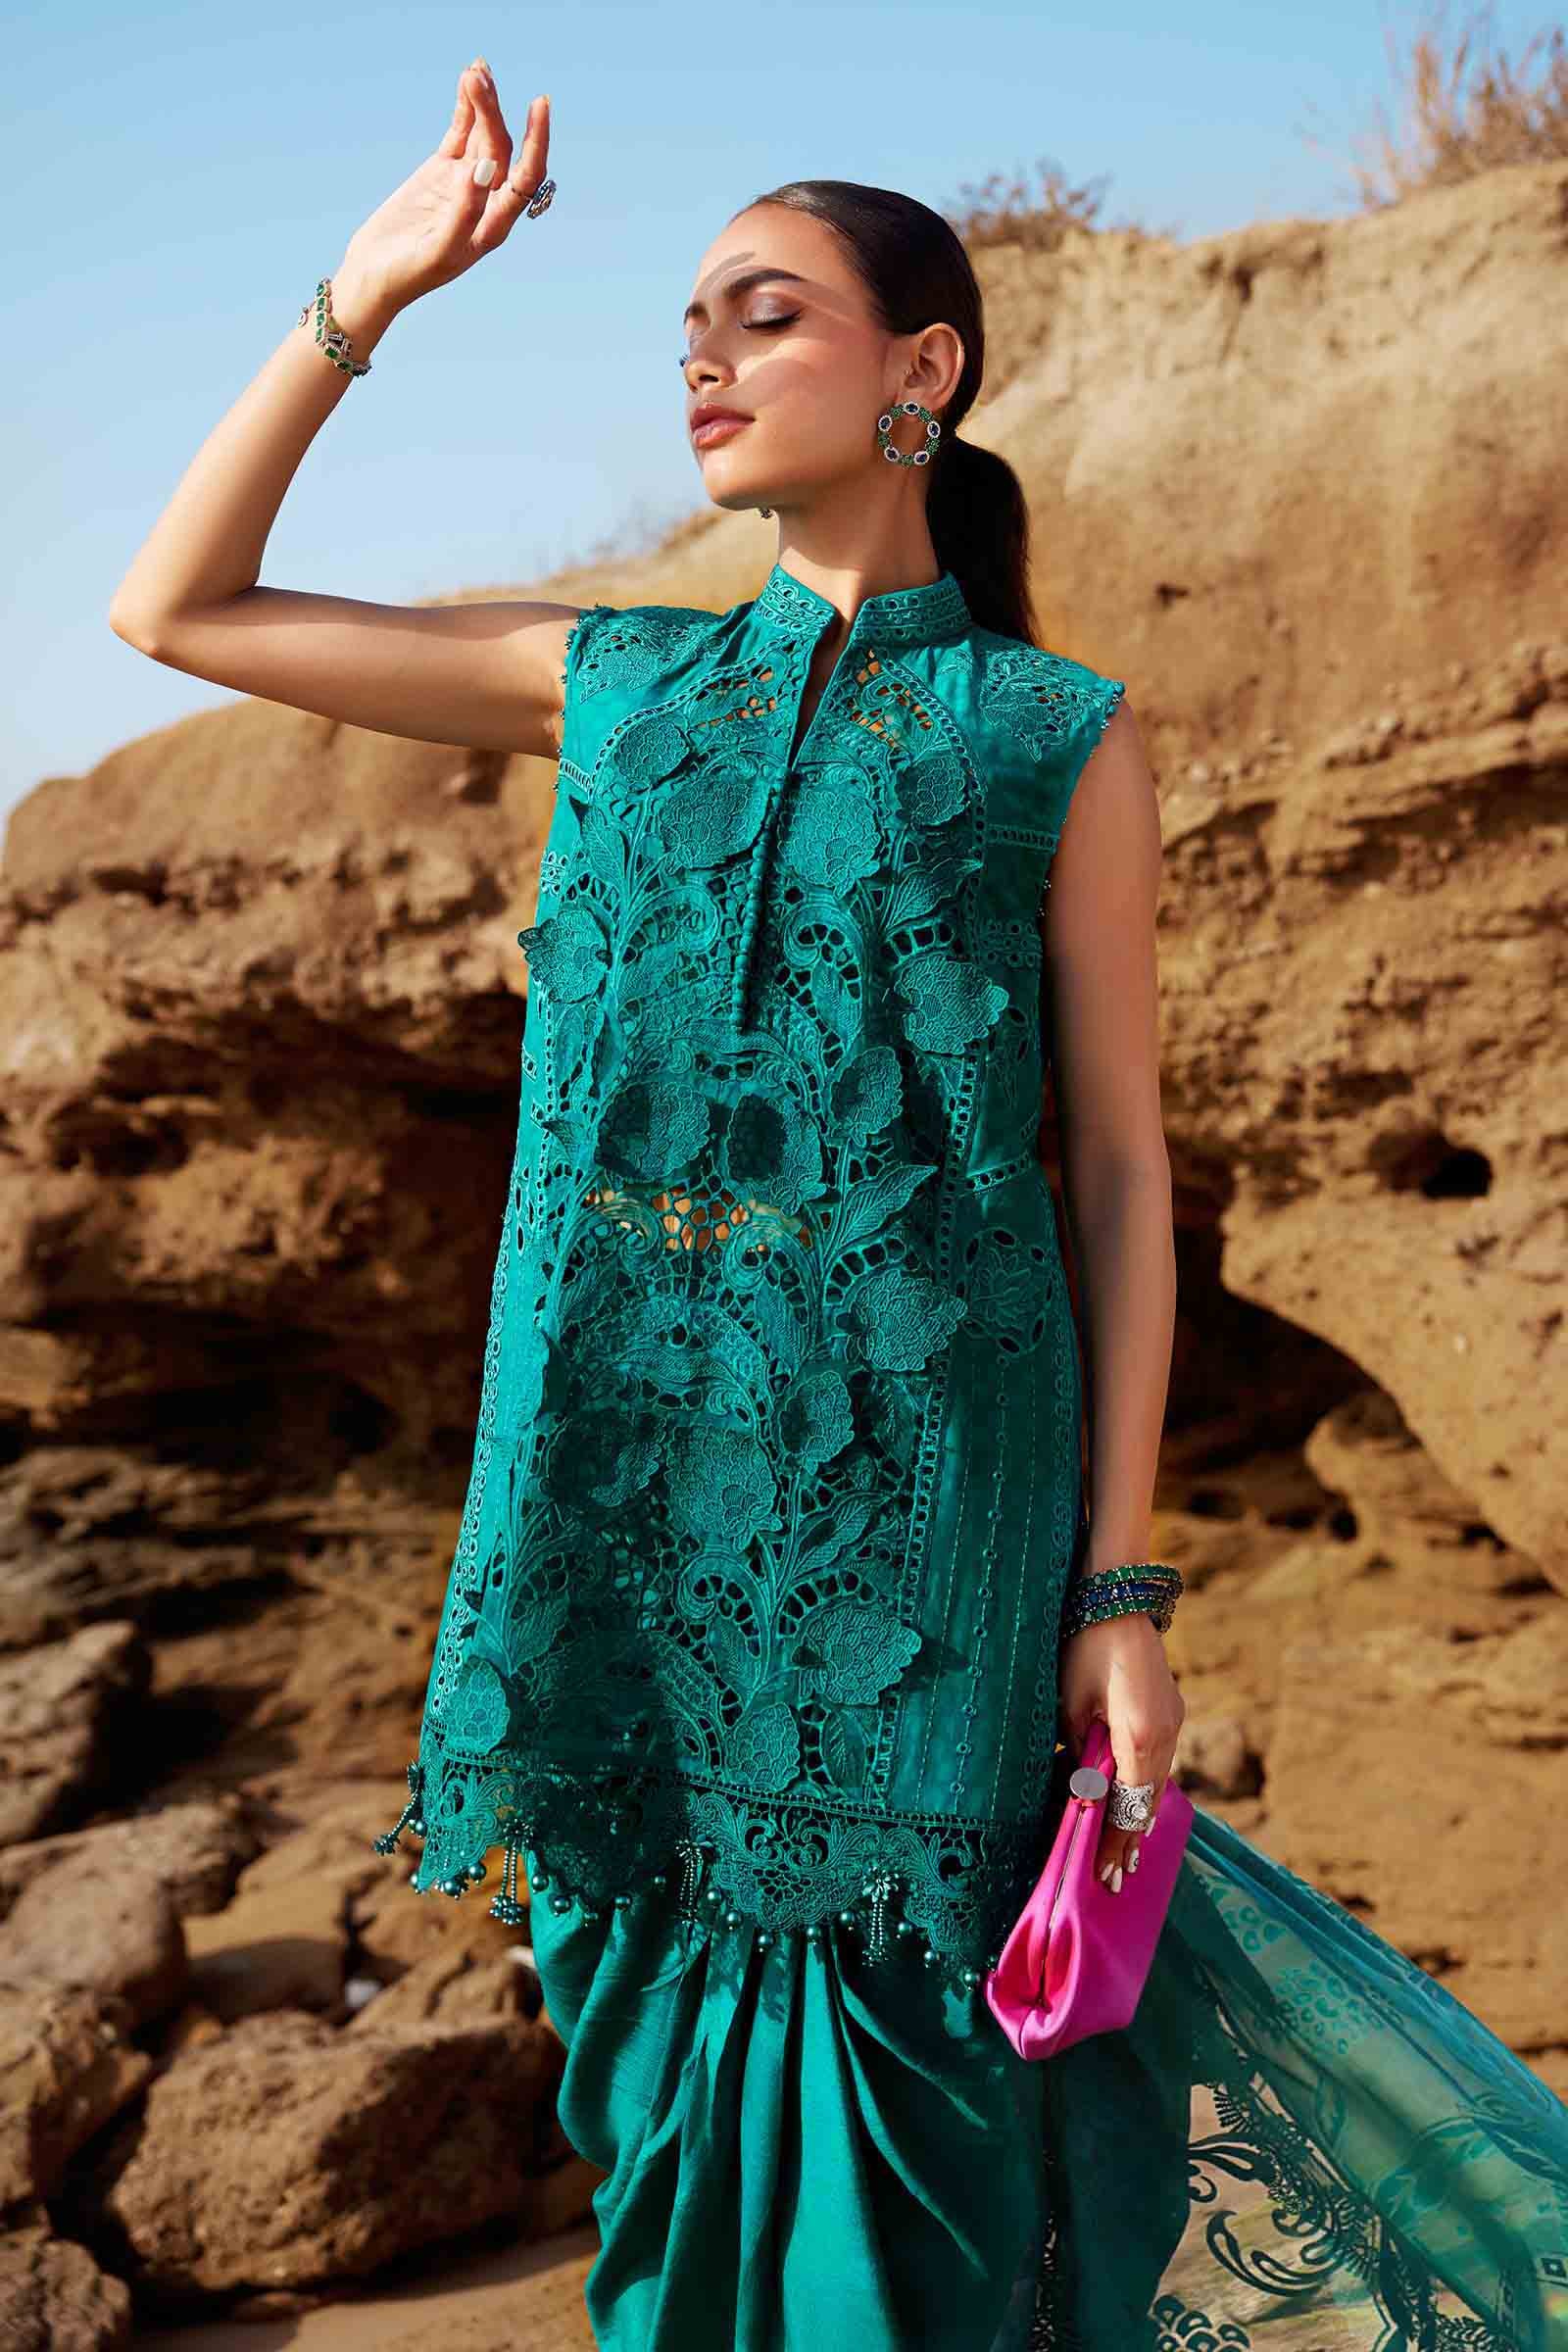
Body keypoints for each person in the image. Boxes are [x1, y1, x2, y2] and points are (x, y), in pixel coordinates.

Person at [110, 61, 1568, 2352]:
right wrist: (367, 292)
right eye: (685, 321)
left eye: (761, 313)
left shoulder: (1048, 733)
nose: (700, 354)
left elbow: (1116, 1173)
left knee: (903, 2107)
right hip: (606, 1478)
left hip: (922, 1512)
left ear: (920, 370)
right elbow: (171, 605)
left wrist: (1118, 1588)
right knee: (642, 2046)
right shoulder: (610, 684)